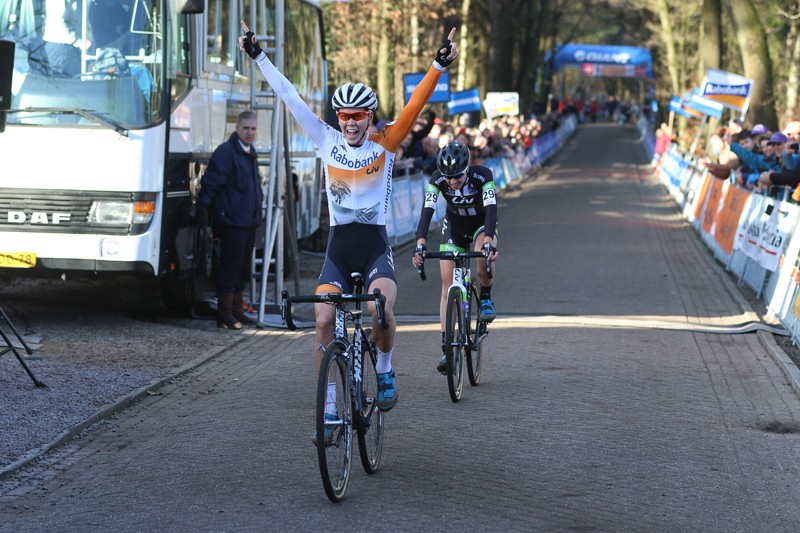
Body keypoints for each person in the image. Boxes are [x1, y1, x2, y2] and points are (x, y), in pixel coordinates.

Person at [239, 20, 459, 419]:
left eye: (358, 115)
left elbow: (414, 107)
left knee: (381, 312)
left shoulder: (386, 143)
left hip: (375, 247)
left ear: (370, 115)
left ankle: (386, 371)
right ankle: (327, 405)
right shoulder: (326, 139)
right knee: (323, 319)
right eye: (344, 115)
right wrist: (260, 57)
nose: (350, 123)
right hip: (339, 249)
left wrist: (438, 66)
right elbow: (290, 97)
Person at [411, 140, 499, 374]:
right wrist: (420, 241)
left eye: (457, 176)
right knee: (447, 285)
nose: (451, 181)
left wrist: (489, 238)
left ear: (468, 168)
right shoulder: (437, 179)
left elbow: (491, 208)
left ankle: (487, 296)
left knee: (482, 258)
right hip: (455, 228)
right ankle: (446, 347)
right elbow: (427, 210)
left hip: (482, 225)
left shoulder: (483, 176)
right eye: (448, 177)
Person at [194, 110, 263, 330]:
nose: (250, 133)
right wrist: (202, 211)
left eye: (253, 129)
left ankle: (236, 310)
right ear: (237, 128)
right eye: (246, 128)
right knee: (230, 267)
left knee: (243, 267)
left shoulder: (250, 153)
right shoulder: (226, 153)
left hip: (248, 221)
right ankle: (224, 314)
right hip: (232, 221)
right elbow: (211, 184)